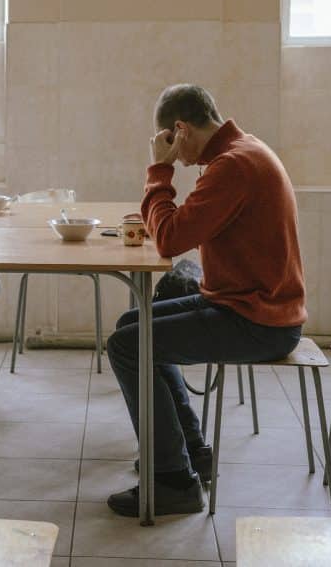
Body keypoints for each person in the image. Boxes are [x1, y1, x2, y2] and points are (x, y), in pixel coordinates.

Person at [105, 84, 306, 516]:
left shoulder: (232, 166)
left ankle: (173, 481)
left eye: (170, 143)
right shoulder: (241, 151)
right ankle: (191, 453)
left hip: (257, 321)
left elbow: (170, 239)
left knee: (126, 346)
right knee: (130, 326)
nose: (174, 155)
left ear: (179, 129)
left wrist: (158, 172)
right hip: (246, 305)